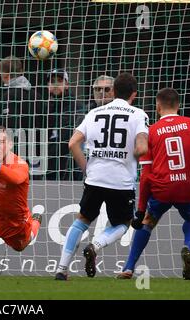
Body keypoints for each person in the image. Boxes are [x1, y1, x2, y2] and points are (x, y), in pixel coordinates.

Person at [55, 72, 149, 280]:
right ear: (134, 94)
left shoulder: (94, 113)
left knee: (82, 220)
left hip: (95, 178)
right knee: (123, 224)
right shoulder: (138, 114)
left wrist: (86, 168)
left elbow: (72, 143)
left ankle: (61, 269)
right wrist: (127, 156)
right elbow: (142, 148)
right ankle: (95, 245)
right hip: (121, 181)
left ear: (113, 91)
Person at [117, 88, 190, 280]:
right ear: (178, 105)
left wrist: (139, 209)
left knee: (147, 221)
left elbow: (146, 175)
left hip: (162, 188)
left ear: (157, 106)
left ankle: (128, 267)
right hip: (189, 187)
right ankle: (187, 247)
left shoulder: (151, 131)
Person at [0, 56, 46, 177]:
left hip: (14, 156)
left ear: (5, 75)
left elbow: (6, 127)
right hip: (36, 153)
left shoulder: (7, 96)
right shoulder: (37, 96)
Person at [46, 69, 86, 180]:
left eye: (59, 81)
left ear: (67, 85)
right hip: (48, 161)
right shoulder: (45, 107)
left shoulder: (76, 107)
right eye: (52, 81)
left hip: (69, 163)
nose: (55, 84)